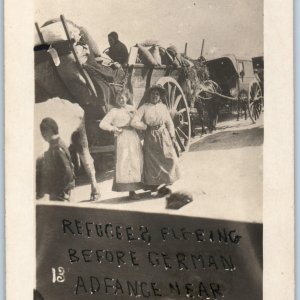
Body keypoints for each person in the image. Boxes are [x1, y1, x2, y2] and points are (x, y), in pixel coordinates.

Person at [131, 84, 180, 196]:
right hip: (151, 135)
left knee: (169, 157)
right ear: (149, 95)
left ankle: (167, 181)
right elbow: (134, 122)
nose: (155, 96)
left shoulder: (163, 107)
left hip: (163, 134)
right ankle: (155, 184)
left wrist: (172, 135)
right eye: (153, 94)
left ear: (160, 96)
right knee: (153, 161)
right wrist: (145, 127)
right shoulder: (144, 107)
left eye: (157, 94)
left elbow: (169, 122)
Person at [99, 90, 143, 199]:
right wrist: (113, 128)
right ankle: (131, 191)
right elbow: (102, 124)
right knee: (125, 162)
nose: (121, 100)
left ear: (127, 98)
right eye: (119, 98)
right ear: (116, 100)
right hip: (122, 138)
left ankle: (139, 186)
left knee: (136, 161)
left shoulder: (131, 109)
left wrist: (141, 126)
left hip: (133, 136)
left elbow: (140, 120)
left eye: (123, 97)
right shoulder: (113, 111)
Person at [40, 118, 75, 201]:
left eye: (43, 133)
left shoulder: (56, 147)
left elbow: (67, 171)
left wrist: (61, 190)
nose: (43, 136)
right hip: (59, 191)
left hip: (59, 193)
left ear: (49, 132)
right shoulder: (59, 143)